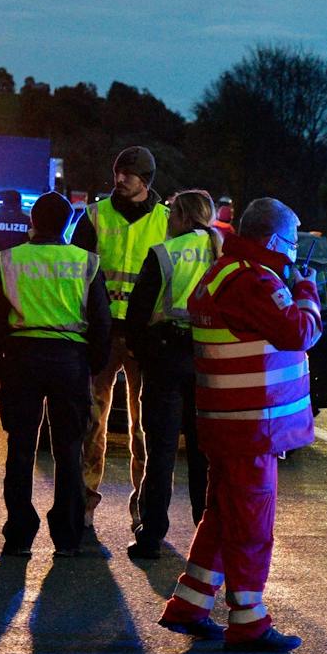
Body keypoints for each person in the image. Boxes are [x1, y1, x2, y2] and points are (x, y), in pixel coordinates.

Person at [157, 198, 320, 652]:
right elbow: (299, 333)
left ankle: (189, 605)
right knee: (251, 523)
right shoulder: (255, 281)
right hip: (253, 425)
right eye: (290, 240)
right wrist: (308, 294)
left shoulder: (222, 272)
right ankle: (248, 619)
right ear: (271, 240)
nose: (292, 250)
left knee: (221, 515)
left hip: (225, 422)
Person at [0, 192, 111, 557]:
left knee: (21, 448)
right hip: (70, 361)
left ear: (32, 223)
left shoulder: (9, 260)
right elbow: (101, 322)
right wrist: (92, 366)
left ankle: (19, 536)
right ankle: (67, 537)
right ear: (68, 224)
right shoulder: (85, 262)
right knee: (69, 448)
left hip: (22, 359)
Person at [69, 146, 168, 532]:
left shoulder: (165, 220)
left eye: (129, 173)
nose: (120, 178)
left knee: (144, 425)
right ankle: (85, 502)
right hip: (102, 332)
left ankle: (141, 506)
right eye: (118, 172)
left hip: (145, 335)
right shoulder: (95, 215)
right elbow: (76, 269)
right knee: (92, 419)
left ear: (146, 179)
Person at [124, 190, 222, 559]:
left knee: (161, 452)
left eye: (170, 215)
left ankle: (151, 536)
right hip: (209, 362)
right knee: (203, 455)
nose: (166, 221)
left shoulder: (165, 253)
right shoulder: (222, 253)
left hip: (167, 358)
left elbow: (137, 316)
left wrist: (144, 352)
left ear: (181, 216)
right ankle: (205, 534)